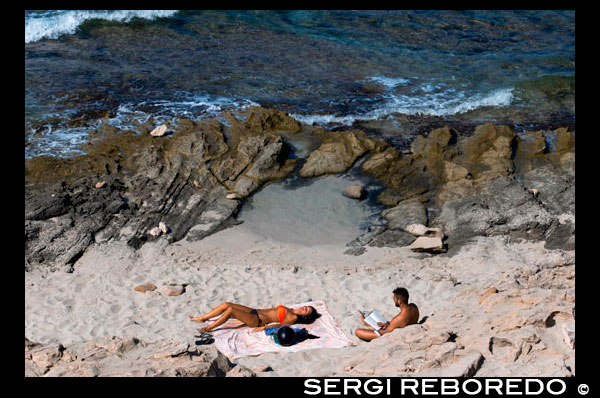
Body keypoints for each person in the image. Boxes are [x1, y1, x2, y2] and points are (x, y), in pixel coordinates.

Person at [189, 302, 321, 333]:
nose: (304, 308)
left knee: (230, 310)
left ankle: (208, 328)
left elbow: (279, 325)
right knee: (226, 304)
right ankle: (202, 318)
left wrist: (262, 328)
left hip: (257, 321)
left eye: (306, 311)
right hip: (254, 311)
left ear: (304, 316)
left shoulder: (292, 317)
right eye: (306, 307)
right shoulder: (291, 308)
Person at [355, 287, 419, 342]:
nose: (393, 299)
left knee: (358, 332)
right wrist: (386, 324)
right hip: (400, 326)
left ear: (399, 301)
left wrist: (370, 325)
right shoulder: (414, 306)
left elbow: (384, 333)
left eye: (394, 298)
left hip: (388, 334)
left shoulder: (398, 319)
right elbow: (401, 323)